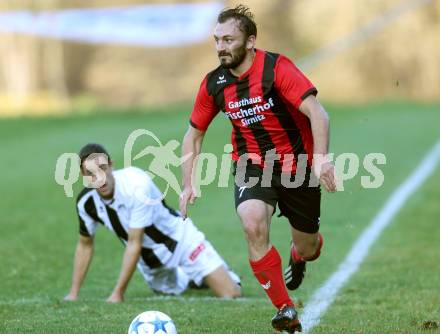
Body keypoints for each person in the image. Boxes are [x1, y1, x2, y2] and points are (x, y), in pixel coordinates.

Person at [180, 5, 336, 333]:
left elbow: (318, 113)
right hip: (251, 165)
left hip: (298, 165)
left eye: (228, 39)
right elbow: (193, 135)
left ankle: (300, 251)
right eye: (216, 40)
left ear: (250, 41)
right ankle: (285, 309)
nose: (221, 46)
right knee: (252, 223)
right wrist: (187, 183)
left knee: (309, 248)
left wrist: (321, 159)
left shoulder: (277, 69)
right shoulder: (214, 84)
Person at [64, 143, 241, 303]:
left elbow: (134, 242)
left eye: (102, 168)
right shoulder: (86, 202)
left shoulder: (136, 185)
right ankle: (191, 277)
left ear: (111, 164)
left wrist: (118, 293)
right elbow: (85, 245)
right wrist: (73, 293)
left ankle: (215, 271)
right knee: (172, 291)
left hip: (181, 241)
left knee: (231, 293)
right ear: (83, 175)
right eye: (90, 173)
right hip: (150, 261)